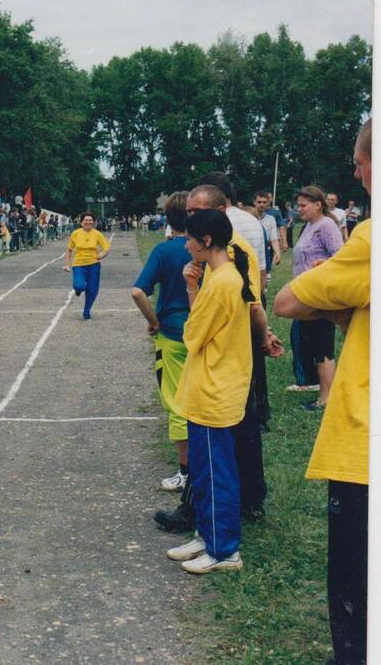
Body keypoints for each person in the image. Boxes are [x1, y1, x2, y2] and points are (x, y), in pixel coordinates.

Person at [273, 118, 370, 665]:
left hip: (364, 444)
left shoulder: (368, 238)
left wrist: (346, 309)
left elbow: (287, 299)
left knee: (356, 592)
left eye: (360, 160)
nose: (355, 171)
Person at [165, 208, 253, 574]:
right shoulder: (221, 276)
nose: (185, 245)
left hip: (215, 390)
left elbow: (192, 334)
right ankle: (207, 533)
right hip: (207, 388)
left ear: (206, 241)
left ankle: (225, 550)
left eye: (189, 238)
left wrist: (190, 289)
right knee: (203, 471)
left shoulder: (221, 282)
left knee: (217, 474)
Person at [131, 193, 192, 491]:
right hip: (207, 331)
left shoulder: (164, 251)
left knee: (177, 400)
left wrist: (152, 320)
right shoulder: (208, 249)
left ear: (167, 219)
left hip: (173, 333)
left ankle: (186, 471)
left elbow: (138, 292)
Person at [286, 186, 343, 406]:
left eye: (303, 205)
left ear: (318, 204)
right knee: (312, 343)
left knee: (322, 345)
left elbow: (340, 258)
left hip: (319, 295)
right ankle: (323, 390)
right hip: (306, 296)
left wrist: (322, 267)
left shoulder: (326, 225)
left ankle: (326, 397)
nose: (299, 209)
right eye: (298, 205)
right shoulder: (310, 226)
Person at [64, 212, 110, 320]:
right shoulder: (76, 233)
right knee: (79, 286)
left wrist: (101, 255)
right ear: (81, 222)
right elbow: (69, 249)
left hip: (94, 264)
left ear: (93, 222)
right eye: (86, 220)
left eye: (90, 220)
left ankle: (86, 311)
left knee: (92, 289)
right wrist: (66, 264)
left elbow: (106, 248)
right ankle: (78, 290)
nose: (88, 222)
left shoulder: (97, 234)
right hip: (79, 264)